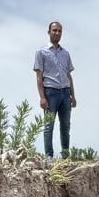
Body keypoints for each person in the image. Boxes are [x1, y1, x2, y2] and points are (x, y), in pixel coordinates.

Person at [33, 21, 76, 159]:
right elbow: (39, 77)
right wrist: (42, 97)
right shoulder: (41, 52)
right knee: (48, 127)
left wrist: (73, 95)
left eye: (59, 31)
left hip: (65, 93)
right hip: (50, 93)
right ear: (49, 32)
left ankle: (65, 157)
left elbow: (69, 75)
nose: (57, 33)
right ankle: (49, 158)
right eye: (54, 30)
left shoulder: (66, 54)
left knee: (65, 127)